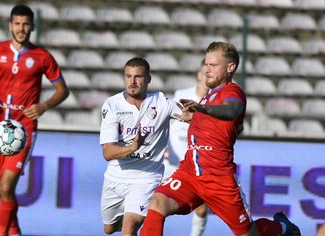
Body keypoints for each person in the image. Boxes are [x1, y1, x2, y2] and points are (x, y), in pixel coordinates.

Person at [140, 41, 301, 236]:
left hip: (219, 179)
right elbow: (221, 124)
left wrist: (202, 109)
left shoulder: (232, 92)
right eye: (206, 64)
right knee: (157, 204)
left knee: (249, 234)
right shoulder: (209, 96)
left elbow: (232, 110)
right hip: (190, 172)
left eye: (213, 65)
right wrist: (193, 117)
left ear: (230, 67)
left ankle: (283, 229)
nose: (207, 70)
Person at [0, 5, 69, 236]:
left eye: (25, 24)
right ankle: (14, 230)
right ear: (10, 25)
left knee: (6, 187)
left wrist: (44, 106)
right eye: (17, 23)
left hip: (23, 128)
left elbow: (63, 91)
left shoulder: (42, 56)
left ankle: (2, 233)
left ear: (32, 26)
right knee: (2, 189)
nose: (21, 28)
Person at [99, 57, 182, 235]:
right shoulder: (112, 105)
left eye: (138, 77)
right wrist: (132, 147)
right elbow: (107, 152)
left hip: (146, 178)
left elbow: (190, 115)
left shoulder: (162, 103)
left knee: (129, 227)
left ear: (148, 79)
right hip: (115, 178)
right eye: (128, 76)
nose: (132, 81)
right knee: (109, 228)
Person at [163, 59, 210, 236]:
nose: (207, 76)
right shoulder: (182, 94)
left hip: (198, 165)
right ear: (199, 75)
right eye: (204, 72)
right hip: (172, 162)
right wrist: (163, 146)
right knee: (157, 205)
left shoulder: (214, 103)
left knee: (202, 208)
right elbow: (166, 120)